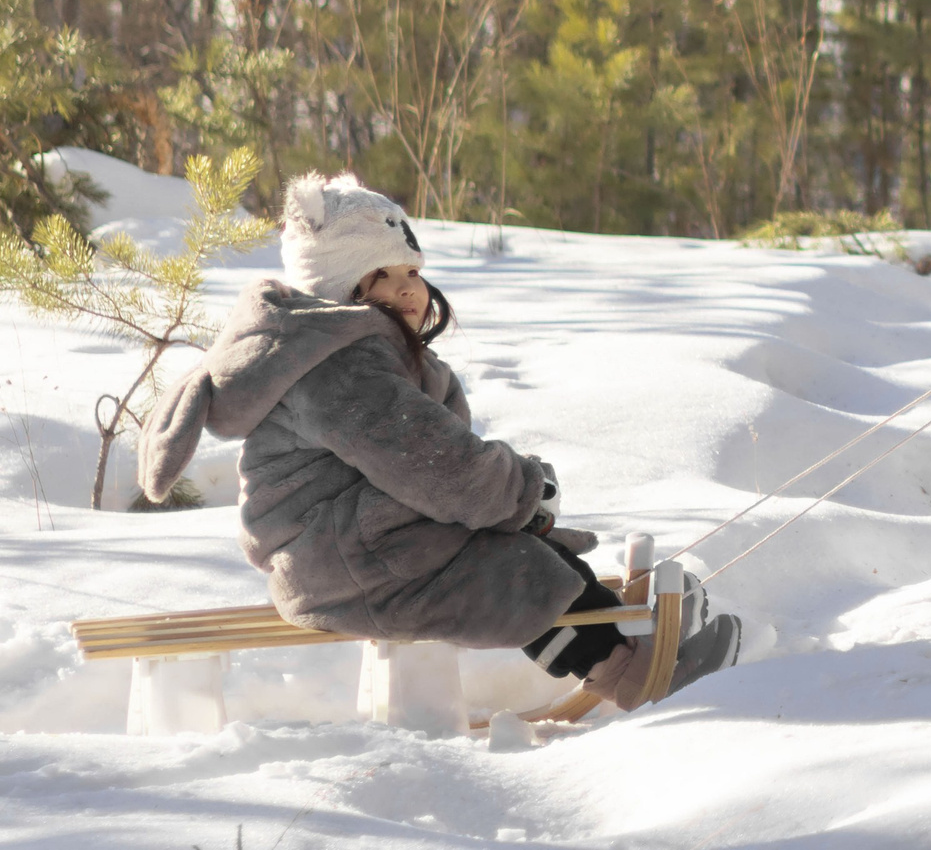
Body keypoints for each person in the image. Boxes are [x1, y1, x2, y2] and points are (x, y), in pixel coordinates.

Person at [139, 172, 742, 708]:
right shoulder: (337, 370)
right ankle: (637, 676)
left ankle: (635, 644)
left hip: (360, 546)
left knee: (527, 554)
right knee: (514, 573)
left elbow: (439, 462)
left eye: (413, 273)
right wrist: (521, 490)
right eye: (382, 277)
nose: (408, 290)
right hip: (337, 561)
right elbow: (439, 468)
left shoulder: (364, 354)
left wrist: (514, 504)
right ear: (338, 287)